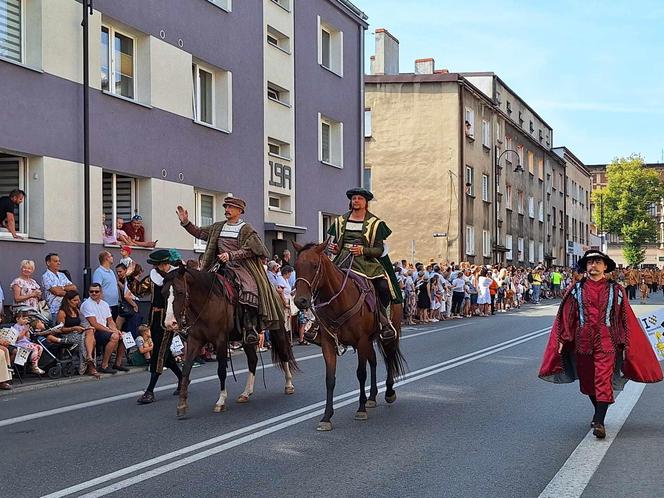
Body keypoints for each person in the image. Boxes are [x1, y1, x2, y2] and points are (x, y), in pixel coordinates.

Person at [539, 250, 663, 439]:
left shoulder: (616, 290)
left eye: (597, 262)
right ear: (585, 266)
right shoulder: (576, 289)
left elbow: (624, 318)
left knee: (603, 379)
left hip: (607, 342)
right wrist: (562, 339)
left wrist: (624, 342)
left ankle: (599, 421)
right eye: (590, 262)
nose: (593, 265)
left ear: (605, 266)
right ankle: (599, 411)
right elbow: (567, 316)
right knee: (588, 381)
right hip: (583, 342)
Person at [176, 197, 285, 346]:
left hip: (240, 267)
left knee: (249, 287)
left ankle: (250, 326)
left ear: (240, 211)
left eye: (231, 207)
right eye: (226, 206)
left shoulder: (246, 228)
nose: (227, 209)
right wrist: (186, 223)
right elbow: (200, 233)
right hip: (218, 265)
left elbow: (253, 249)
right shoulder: (218, 227)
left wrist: (231, 255)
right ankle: (194, 324)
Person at [327, 187, 402, 340]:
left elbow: (379, 249)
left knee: (382, 286)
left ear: (366, 202)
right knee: (325, 282)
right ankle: (318, 323)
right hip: (343, 260)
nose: (356, 201)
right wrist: (335, 249)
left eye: (359, 198)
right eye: (354, 198)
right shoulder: (341, 221)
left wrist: (363, 250)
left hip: (367, 262)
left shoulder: (375, 223)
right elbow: (338, 245)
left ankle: (383, 321)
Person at [137, 249, 183, 404]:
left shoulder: (176, 277)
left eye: (158, 265)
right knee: (164, 352)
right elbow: (138, 290)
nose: (156, 267)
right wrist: (129, 276)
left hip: (167, 319)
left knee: (158, 352)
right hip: (154, 317)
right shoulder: (153, 276)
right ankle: (183, 378)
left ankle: (150, 390)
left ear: (165, 264)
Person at [80, 283, 127, 374]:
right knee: (114, 337)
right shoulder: (87, 304)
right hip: (93, 331)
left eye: (96, 291)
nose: (94, 293)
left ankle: (118, 363)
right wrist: (111, 331)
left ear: (101, 292)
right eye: (91, 291)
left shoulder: (104, 304)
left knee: (124, 335)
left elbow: (110, 321)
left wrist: (116, 330)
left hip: (104, 330)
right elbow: (94, 324)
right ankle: (104, 365)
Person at [53, 290, 99, 378]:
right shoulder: (62, 312)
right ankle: (90, 365)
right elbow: (60, 329)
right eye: (75, 300)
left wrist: (87, 327)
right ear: (68, 300)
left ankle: (89, 357)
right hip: (67, 334)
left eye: (78, 300)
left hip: (78, 332)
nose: (77, 302)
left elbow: (82, 322)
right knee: (88, 340)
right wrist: (73, 328)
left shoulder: (76, 310)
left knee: (90, 333)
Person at [42, 253, 78, 324]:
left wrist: (61, 287)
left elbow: (74, 287)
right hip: (55, 309)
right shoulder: (46, 276)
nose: (58, 263)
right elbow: (56, 292)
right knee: (58, 330)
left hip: (68, 308)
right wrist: (67, 291)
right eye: (55, 261)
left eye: (59, 261)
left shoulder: (62, 275)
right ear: (48, 263)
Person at [93, 251, 120, 319]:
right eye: (111, 256)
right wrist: (103, 305)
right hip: (106, 305)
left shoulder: (111, 271)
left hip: (115, 304)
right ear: (106, 258)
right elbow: (97, 289)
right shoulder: (98, 272)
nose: (113, 257)